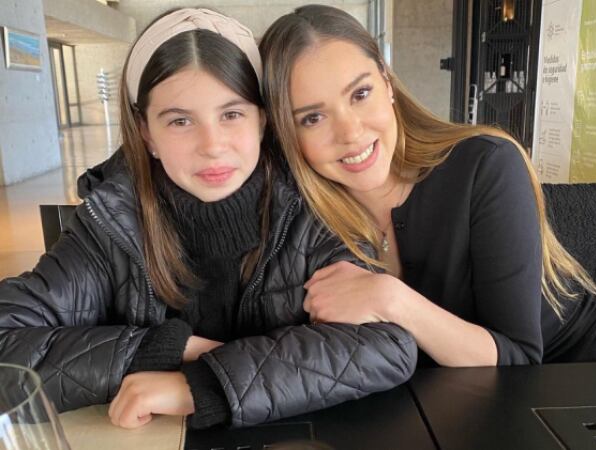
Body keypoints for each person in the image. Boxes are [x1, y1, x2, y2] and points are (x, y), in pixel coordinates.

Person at [0, 8, 417, 429]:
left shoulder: (307, 205)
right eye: (180, 121)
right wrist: (162, 349)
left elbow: (386, 345)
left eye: (231, 114)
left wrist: (203, 386)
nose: (212, 145)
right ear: (146, 133)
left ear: (262, 120)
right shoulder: (111, 222)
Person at [259, 4, 596, 368]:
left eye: (360, 94)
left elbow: (518, 358)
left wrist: (390, 298)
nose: (351, 132)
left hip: (570, 374)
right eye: (313, 118)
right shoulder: (296, 215)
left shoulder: (486, 165)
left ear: (387, 84)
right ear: (284, 132)